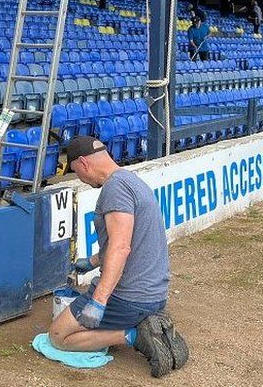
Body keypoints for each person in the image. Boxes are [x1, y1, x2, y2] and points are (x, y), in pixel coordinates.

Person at [50, 137, 188, 378]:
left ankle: (136, 335)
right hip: (155, 294)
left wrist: (99, 302)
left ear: (83, 163)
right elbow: (127, 241)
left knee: (58, 337)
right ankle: (148, 322)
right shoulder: (132, 181)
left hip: (129, 297)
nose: (79, 178)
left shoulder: (115, 189)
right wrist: (92, 262)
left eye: (75, 172)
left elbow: (121, 247)